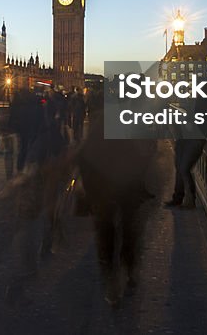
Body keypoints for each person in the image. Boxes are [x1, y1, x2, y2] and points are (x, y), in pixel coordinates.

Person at [77, 89, 157, 306]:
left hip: (104, 189)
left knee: (106, 234)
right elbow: (141, 157)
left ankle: (113, 282)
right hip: (123, 188)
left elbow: (83, 156)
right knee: (129, 230)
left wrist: (88, 188)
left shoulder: (102, 123)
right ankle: (128, 270)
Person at [165, 93, 207, 209]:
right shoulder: (193, 102)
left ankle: (189, 201)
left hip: (194, 140)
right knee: (180, 168)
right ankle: (178, 198)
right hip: (185, 138)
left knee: (183, 169)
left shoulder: (206, 104)